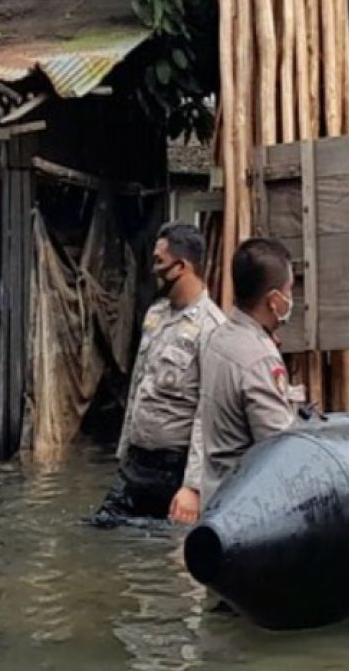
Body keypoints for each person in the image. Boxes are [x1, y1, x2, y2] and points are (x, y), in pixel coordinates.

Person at [91, 223, 226, 526]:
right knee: (100, 530)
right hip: (136, 461)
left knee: (161, 548)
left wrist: (192, 486)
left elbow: (208, 414)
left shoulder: (212, 328)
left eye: (159, 262)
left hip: (173, 467)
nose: (153, 270)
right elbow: (139, 384)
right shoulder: (156, 314)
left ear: (182, 267)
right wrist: (124, 452)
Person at [198, 238, 298, 505]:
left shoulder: (217, 337)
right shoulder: (259, 358)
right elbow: (278, 447)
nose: (291, 299)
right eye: (289, 290)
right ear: (274, 300)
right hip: (248, 504)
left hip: (214, 495)